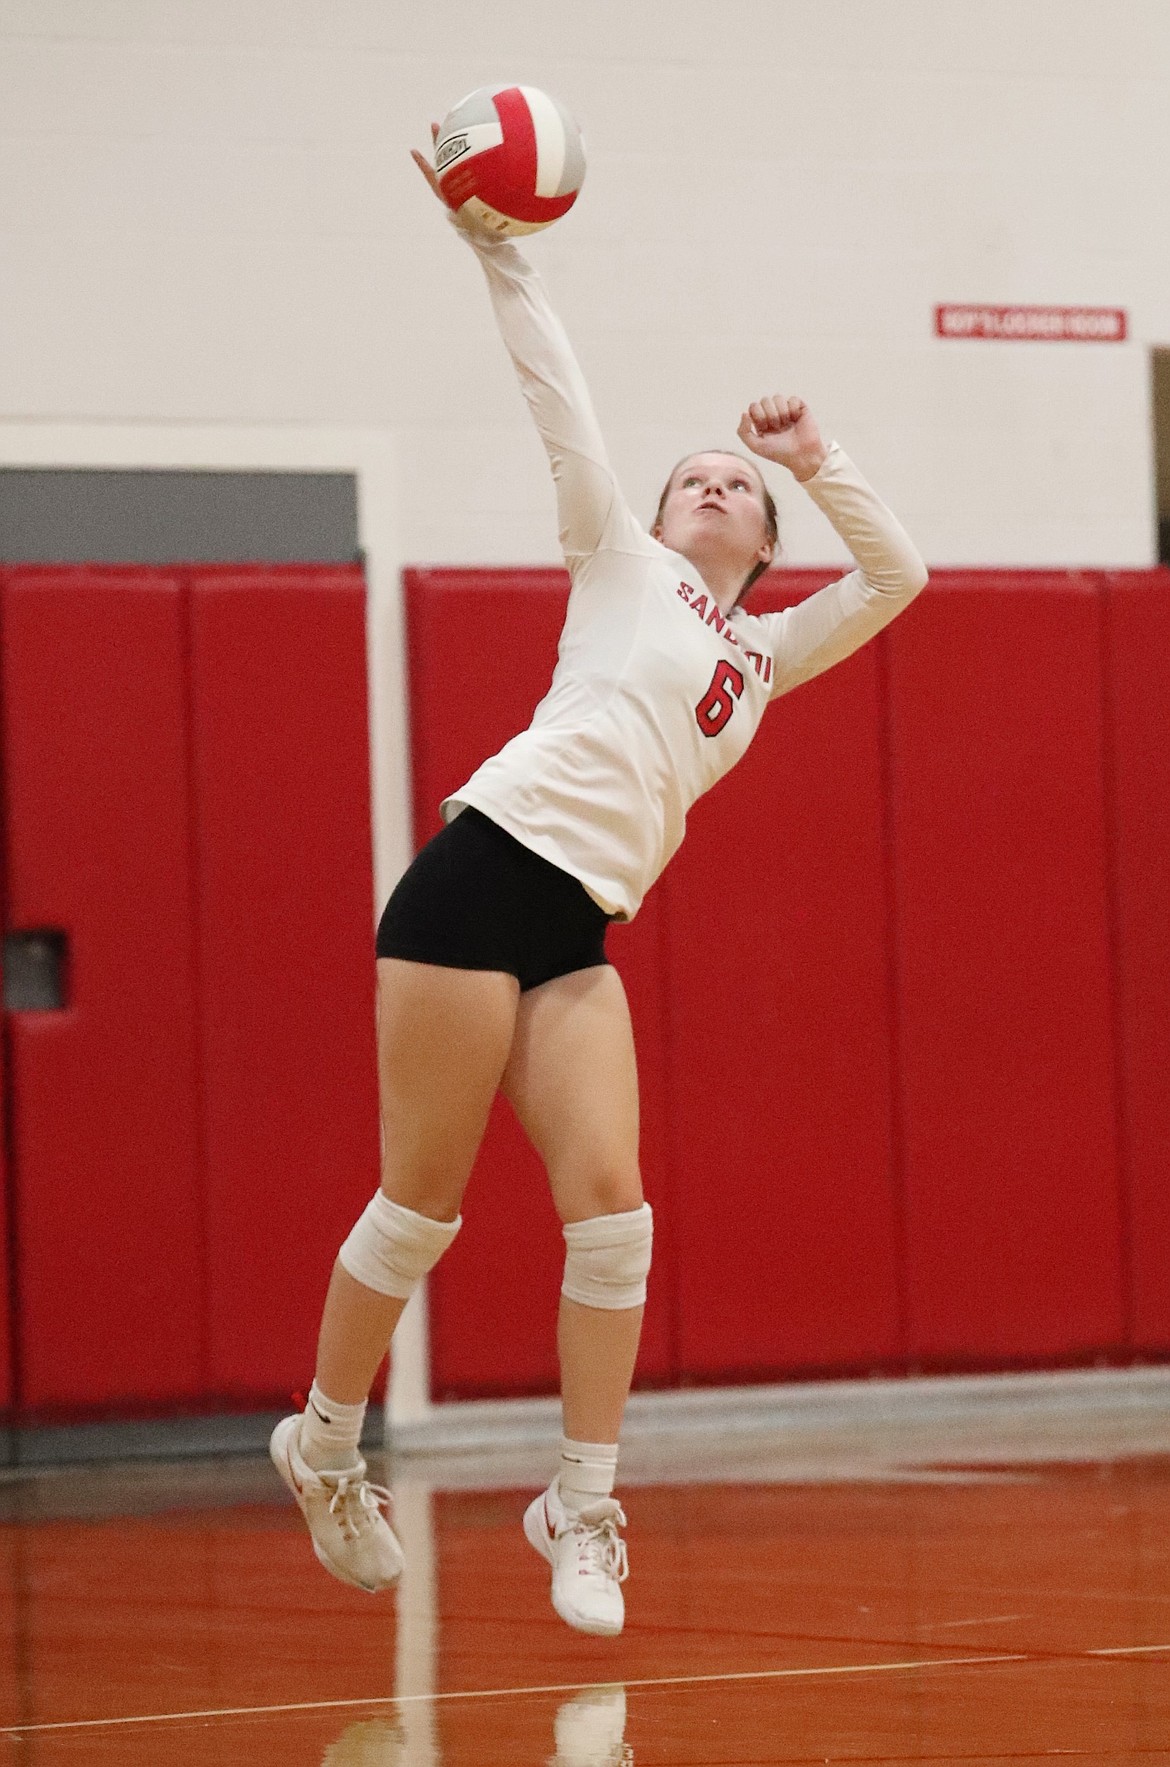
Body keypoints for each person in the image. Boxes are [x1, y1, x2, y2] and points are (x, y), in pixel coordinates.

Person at [270, 128, 928, 1639]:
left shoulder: (760, 649)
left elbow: (896, 580)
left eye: (731, 484)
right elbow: (556, 401)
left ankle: (580, 1500)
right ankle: (320, 1441)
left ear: (761, 545)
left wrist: (814, 456)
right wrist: (500, 250)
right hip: (472, 880)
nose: (706, 483)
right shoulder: (616, 563)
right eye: (689, 475)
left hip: (575, 932)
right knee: (420, 1208)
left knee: (613, 1218)